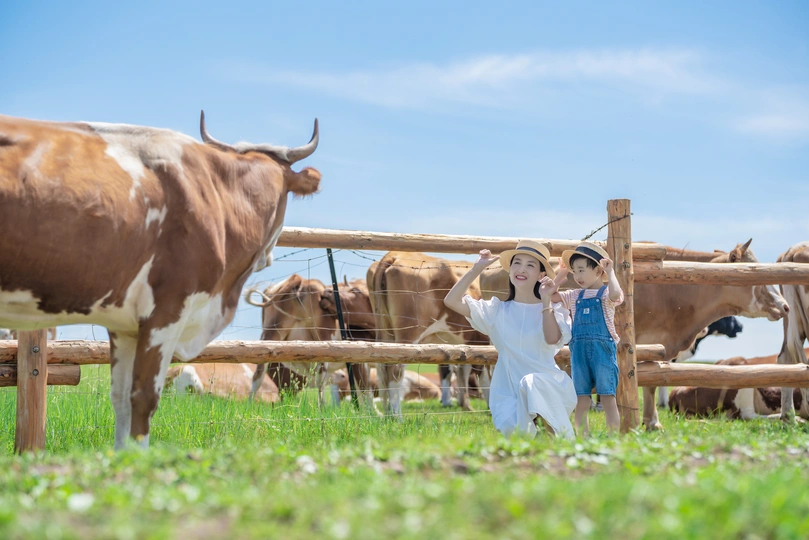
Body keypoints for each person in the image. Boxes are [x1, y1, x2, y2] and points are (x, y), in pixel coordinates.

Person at [443, 240, 577, 439]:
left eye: (530, 265)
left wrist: (546, 300)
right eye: (517, 263)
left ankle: (555, 439)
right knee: (520, 439)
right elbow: (451, 301)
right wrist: (476, 269)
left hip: (548, 387)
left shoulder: (553, 309)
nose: (521, 269)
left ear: (541, 275)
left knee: (530, 384)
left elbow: (552, 340)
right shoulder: (496, 310)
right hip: (507, 392)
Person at [549, 241, 624, 436]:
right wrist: (562, 273)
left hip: (603, 352)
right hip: (579, 352)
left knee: (608, 396)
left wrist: (612, 272)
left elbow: (617, 294)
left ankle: (612, 437)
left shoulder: (607, 294)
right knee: (581, 398)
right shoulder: (574, 295)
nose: (578, 276)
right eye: (575, 271)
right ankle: (583, 437)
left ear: (599, 271)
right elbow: (550, 295)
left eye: (581, 270)